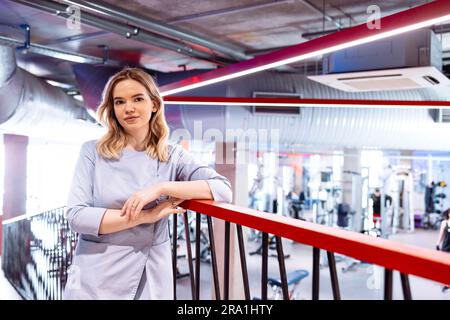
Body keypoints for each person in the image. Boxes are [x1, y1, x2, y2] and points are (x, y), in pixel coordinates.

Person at [63, 68, 232, 300]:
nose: (128, 108)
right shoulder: (92, 151)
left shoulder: (172, 155)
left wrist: (162, 188)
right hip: (97, 271)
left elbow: (222, 189)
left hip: (150, 270)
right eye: (119, 101)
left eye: (138, 99)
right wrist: (145, 216)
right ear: (112, 109)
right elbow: (76, 216)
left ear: (154, 104)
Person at [436, 208, 450, 292]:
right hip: (445, 247)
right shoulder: (444, 223)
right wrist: (437, 243)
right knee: (445, 266)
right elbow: (441, 235)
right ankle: (446, 283)